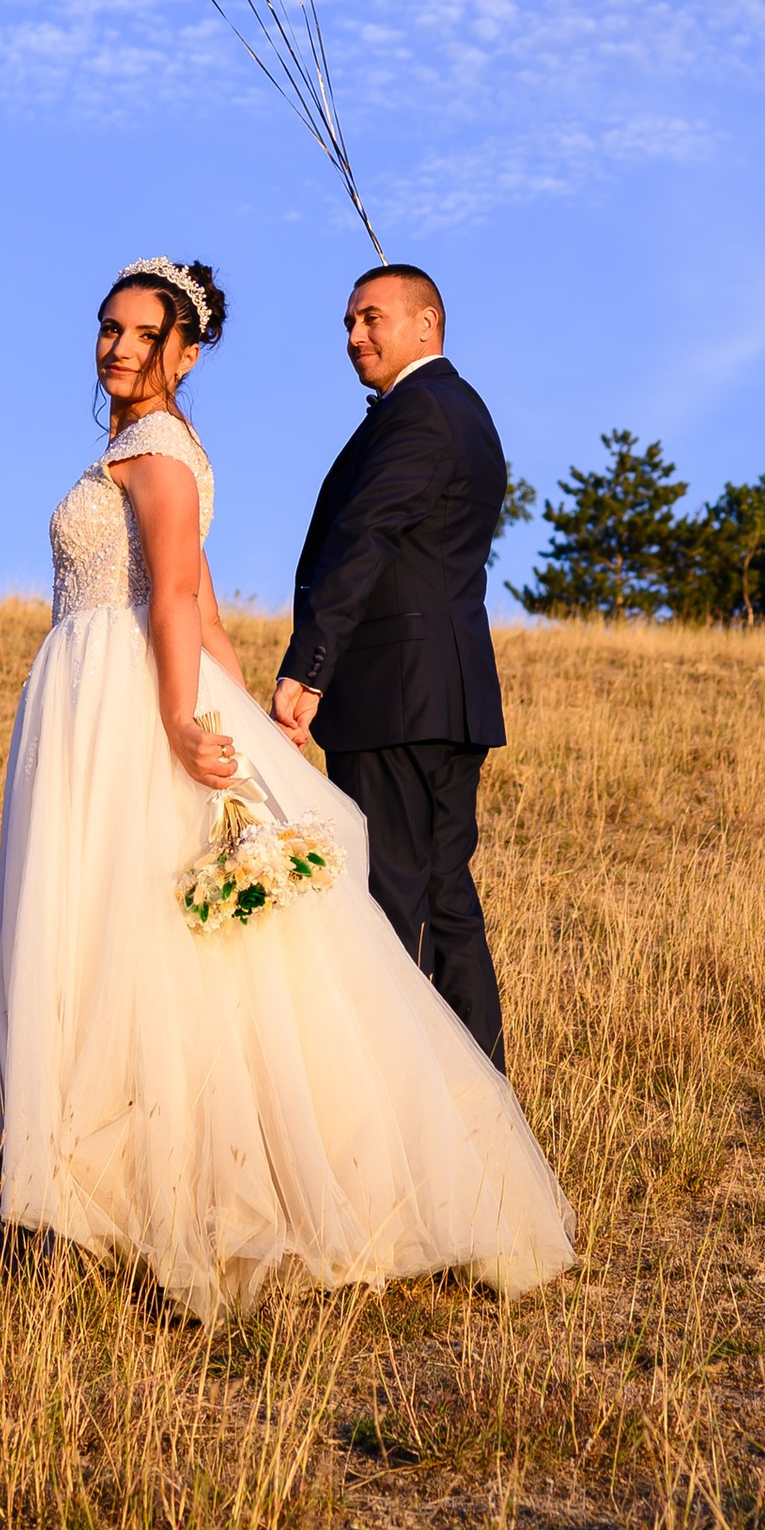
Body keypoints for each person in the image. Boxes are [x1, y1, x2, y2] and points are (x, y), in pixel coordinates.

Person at [0, 259, 571, 1316]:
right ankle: (118, 1184)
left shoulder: (165, 454)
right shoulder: (149, 447)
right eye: (107, 328)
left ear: (184, 349)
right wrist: (256, 723)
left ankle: (361, 1160)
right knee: (158, 941)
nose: (117, 346)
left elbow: (178, 597)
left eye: (140, 332)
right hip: (108, 694)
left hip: (139, 698)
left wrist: (190, 717)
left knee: (179, 945)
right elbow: (207, 609)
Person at [272, 264, 512, 1065]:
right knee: (444, 906)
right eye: (348, 323)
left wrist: (308, 669)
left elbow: (363, 539)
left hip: (395, 698)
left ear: (426, 322)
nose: (354, 337)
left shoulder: (420, 414)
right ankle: (480, 1115)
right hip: (442, 698)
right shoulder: (460, 409)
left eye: (372, 318)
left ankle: (411, 1112)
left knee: (391, 908)